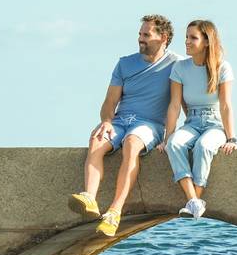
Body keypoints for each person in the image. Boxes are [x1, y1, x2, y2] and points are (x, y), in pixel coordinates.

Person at [68, 15, 181, 236]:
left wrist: (173, 136)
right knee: (97, 138)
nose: (140, 39)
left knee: (131, 144)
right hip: (120, 120)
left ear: (163, 38)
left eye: (146, 35)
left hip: (150, 125)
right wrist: (107, 121)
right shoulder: (125, 63)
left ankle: (114, 211)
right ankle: (90, 198)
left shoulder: (177, 65)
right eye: (140, 34)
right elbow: (109, 103)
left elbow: (181, 104)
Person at [158, 19, 237, 218]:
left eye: (193, 38)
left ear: (207, 41)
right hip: (191, 121)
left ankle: (194, 201)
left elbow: (226, 105)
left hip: (214, 124)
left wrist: (231, 138)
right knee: (174, 144)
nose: (187, 41)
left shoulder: (222, 67)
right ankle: (194, 200)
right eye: (186, 37)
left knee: (204, 146)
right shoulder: (180, 68)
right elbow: (175, 105)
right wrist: (167, 137)